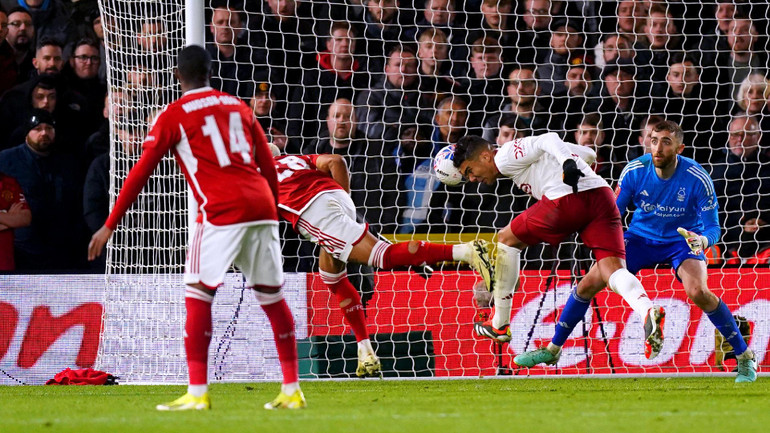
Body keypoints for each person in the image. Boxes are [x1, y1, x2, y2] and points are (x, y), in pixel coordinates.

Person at [87, 45, 305, 411]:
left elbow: (140, 172)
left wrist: (110, 225)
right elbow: (267, 162)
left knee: (198, 295)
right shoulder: (238, 106)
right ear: (209, 72)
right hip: (263, 206)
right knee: (272, 297)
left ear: (176, 75)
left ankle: (198, 392)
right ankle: (292, 389)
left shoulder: (173, 114)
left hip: (219, 211)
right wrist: (274, 208)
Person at [514, 121, 758, 383]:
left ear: (680, 148)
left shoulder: (698, 178)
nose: (658, 147)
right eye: (653, 140)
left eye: (666, 142)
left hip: (682, 241)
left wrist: (703, 242)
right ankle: (553, 350)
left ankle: (745, 358)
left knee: (698, 291)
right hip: (640, 239)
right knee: (587, 285)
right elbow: (613, 214)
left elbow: (712, 228)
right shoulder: (635, 170)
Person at [271, 147, 494, 376]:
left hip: (316, 213)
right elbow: (336, 160)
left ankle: (465, 252)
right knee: (332, 276)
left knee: (382, 256)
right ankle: (365, 352)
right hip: (333, 196)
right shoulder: (294, 160)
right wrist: (345, 204)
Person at [450, 133, 665, 363]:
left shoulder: (503, 155)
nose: (472, 179)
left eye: (469, 171)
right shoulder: (515, 162)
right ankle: (647, 311)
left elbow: (548, 138)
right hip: (602, 197)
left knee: (506, 239)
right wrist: (568, 160)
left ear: (484, 156)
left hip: (567, 200)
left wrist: (567, 163)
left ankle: (499, 324)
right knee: (613, 270)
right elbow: (589, 154)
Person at [0, 171, 31, 271]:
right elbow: (16, 220)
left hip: (5, 265)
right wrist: (8, 218)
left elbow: (26, 219)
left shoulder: (10, 182)